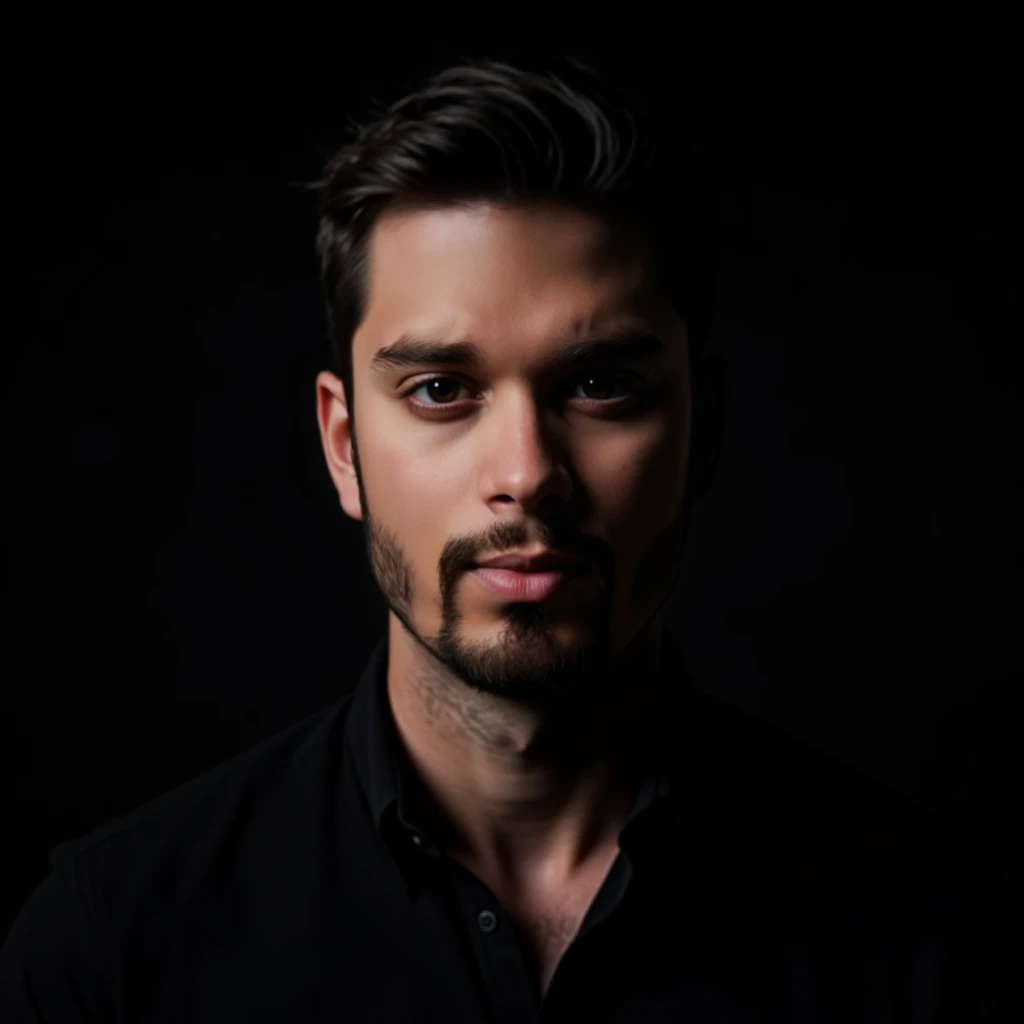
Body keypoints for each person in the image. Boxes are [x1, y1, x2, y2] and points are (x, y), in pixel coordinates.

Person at [2, 55, 1020, 1022]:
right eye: (442, 390)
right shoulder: (113, 947)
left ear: (701, 429)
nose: (526, 471)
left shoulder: (936, 939)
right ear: (344, 445)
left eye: (598, 385)